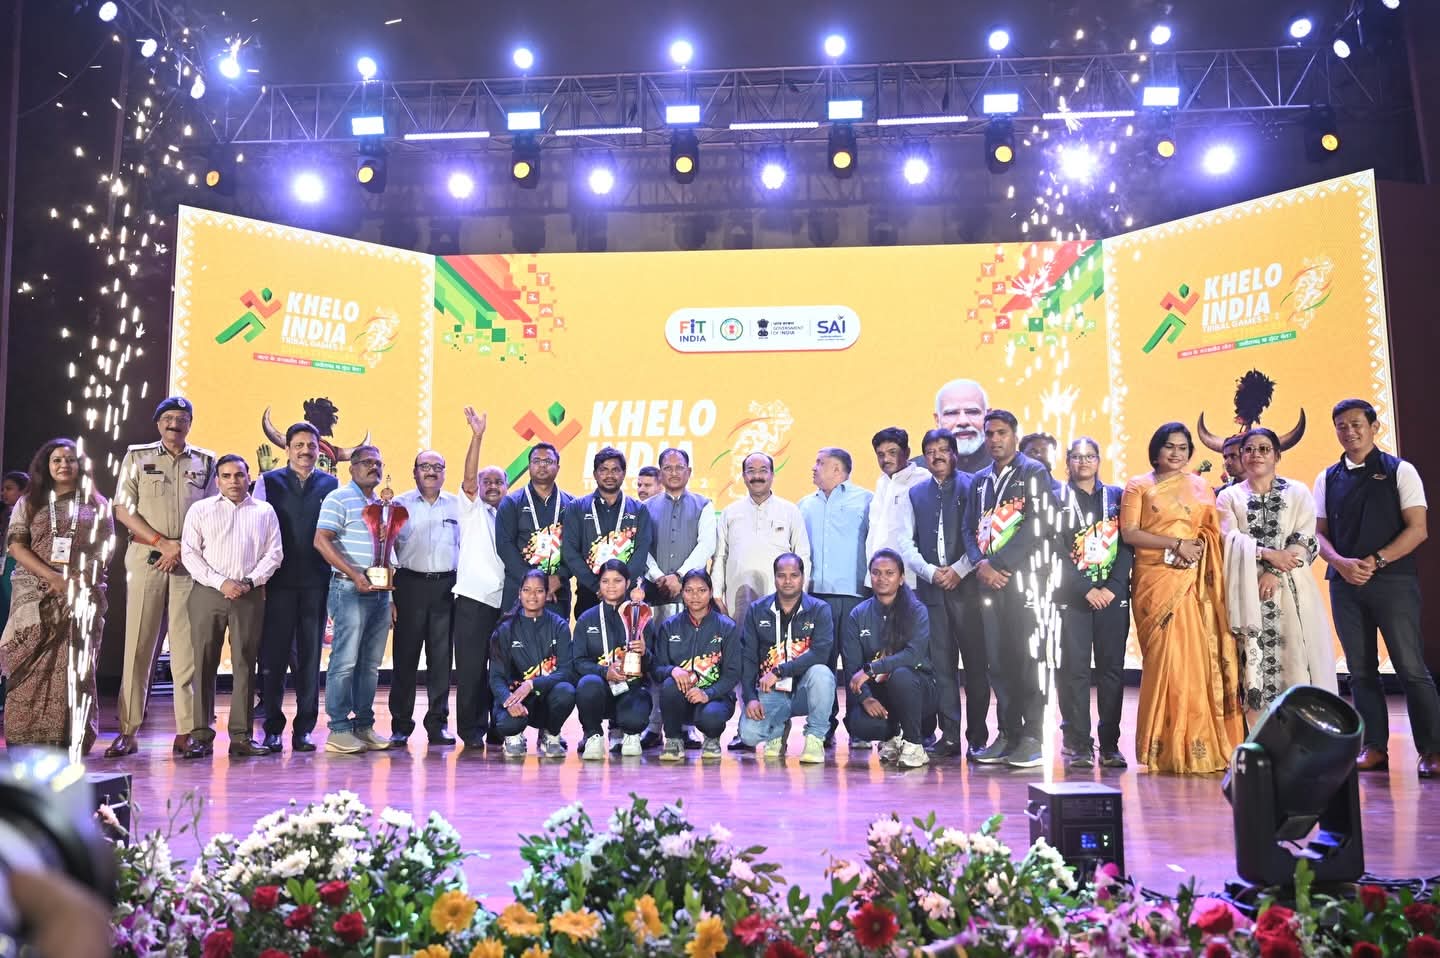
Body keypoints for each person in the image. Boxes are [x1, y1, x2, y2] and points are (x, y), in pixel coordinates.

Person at [1314, 398, 1438, 778]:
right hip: (1345, 584)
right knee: (1360, 670)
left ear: (1374, 427)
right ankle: (1373, 748)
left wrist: (1377, 560)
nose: (1349, 431)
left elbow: (1418, 529)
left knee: (1410, 668)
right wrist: (1340, 563)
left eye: (1356, 424)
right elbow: (1319, 534)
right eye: (1342, 425)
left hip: (1393, 581)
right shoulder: (1327, 478)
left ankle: (1433, 749)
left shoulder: (1400, 470)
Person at [1120, 422, 1245, 774]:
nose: (1176, 453)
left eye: (1182, 448)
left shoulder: (1201, 487)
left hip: (1194, 581)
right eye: (1169, 446)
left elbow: (1211, 532)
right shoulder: (1139, 485)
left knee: (1195, 663)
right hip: (1155, 581)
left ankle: (1197, 747)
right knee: (1166, 662)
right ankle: (1163, 748)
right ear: (1156, 450)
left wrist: (1197, 547)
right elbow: (1130, 533)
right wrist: (1176, 544)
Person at [107, 396, 217, 759]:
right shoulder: (136, 457)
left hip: (190, 560)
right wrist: (161, 543)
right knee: (138, 646)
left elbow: (213, 512)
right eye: (168, 417)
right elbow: (123, 509)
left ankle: (186, 732)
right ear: (158, 423)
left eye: (182, 418)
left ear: (190, 424)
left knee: (187, 651)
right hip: (147, 557)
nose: (175, 424)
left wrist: (182, 548)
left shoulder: (206, 461)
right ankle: (127, 731)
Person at [1217, 427, 1337, 729]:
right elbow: (1227, 539)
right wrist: (1268, 554)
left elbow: (1306, 538)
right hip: (1246, 592)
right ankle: (1258, 737)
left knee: (1296, 657)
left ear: (1277, 455)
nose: (1255, 455)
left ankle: (1301, 734)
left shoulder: (1297, 492)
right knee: (1251, 664)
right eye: (1249, 449)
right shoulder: (1229, 497)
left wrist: (1272, 572)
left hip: (1292, 591)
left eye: (1264, 449)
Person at [0, 439, 112, 752]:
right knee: (28, 664)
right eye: (57, 460)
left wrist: (76, 581)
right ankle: (25, 737)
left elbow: (104, 551)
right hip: (33, 594)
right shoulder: (29, 502)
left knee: (75, 664)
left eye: (70, 460)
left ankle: (69, 739)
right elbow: (16, 545)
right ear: (46, 466)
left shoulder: (97, 504)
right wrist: (52, 577)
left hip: (80, 595)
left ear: (81, 465)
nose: (64, 465)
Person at [963, 410, 1055, 768]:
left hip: (1024, 581)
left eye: (1001, 433)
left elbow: (1039, 523)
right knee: (998, 661)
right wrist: (980, 564)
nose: (994, 439)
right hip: (988, 583)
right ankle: (1007, 734)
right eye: (989, 434)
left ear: (1015, 435)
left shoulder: (1033, 472)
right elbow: (969, 529)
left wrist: (1000, 564)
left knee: (1027, 659)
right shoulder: (979, 480)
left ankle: (1032, 738)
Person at [180, 454, 283, 759]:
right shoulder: (201, 510)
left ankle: (241, 737)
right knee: (203, 664)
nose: (233, 481)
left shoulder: (264, 511)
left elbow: (274, 554)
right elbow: (190, 553)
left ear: (249, 477)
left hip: (249, 595)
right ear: (217, 480)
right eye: (226, 476)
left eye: (239, 475)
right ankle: (200, 735)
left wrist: (249, 582)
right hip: (207, 593)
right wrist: (221, 582)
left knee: (244, 665)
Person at [895, 429, 989, 757]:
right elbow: (905, 541)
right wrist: (931, 572)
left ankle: (977, 737)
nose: (936, 456)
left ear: (955, 454)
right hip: (931, 592)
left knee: (976, 667)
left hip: (970, 590)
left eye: (943, 450)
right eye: (930, 451)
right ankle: (949, 737)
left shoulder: (974, 486)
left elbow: (983, 535)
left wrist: (960, 569)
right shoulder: (915, 494)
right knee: (941, 667)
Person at [253, 422, 338, 753]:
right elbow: (257, 532)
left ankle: (304, 730)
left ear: (319, 450)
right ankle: (272, 729)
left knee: (310, 659)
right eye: (299, 445)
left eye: (311, 445)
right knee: (273, 659)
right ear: (287, 449)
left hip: (316, 583)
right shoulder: (268, 481)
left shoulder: (331, 484)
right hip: (277, 584)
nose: (305, 451)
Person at [1054, 438, 1133, 769]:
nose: (1083, 462)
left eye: (1089, 456)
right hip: (1071, 598)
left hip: (1112, 597)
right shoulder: (1055, 498)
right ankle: (1078, 744)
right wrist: (1085, 589)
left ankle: (1110, 744)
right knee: (1073, 671)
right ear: (1068, 462)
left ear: (1099, 460)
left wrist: (1113, 587)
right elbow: (1054, 550)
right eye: (1076, 456)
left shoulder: (1117, 497)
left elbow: (1128, 544)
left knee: (1111, 670)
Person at [313, 445, 394, 754]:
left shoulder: (382, 505)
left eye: (378, 463)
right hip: (349, 589)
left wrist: (389, 591)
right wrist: (354, 574)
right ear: (352, 468)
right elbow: (320, 541)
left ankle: (363, 725)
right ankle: (338, 729)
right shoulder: (339, 498)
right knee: (345, 662)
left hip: (380, 593)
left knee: (370, 664)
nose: (373, 467)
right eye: (366, 462)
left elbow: (386, 551)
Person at [642, 446, 716, 747]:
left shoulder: (704, 505)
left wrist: (681, 577)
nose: (674, 472)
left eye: (679, 467)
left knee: (690, 661)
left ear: (689, 471)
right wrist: (658, 575)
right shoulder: (645, 507)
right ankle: (653, 726)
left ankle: (686, 726)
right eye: (668, 468)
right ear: (660, 473)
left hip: (691, 598)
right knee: (655, 661)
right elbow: (640, 547)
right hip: (655, 594)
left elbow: (707, 544)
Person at [798, 446, 872, 745]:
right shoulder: (804, 504)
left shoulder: (866, 500)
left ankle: (859, 728)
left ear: (838, 470)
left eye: (820, 463)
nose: (813, 467)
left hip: (855, 595)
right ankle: (822, 726)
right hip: (816, 597)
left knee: (855, 662)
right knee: (821, 664)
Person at [388, 447, 461, 746]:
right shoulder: (398, 505)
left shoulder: (457, 505)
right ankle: (400, 725)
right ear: (414, 471)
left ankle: (437, 724)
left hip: (446, 587)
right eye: (425, 466)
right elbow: (385, 551)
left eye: (437, 467)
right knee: (404, 658)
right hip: (408, 586)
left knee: (441, 660)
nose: (431, 471)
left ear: (444, 472)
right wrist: (389, 597)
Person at [737, 552, 835, 763]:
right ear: (775, 578)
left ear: (803, 577)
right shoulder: (757, 610)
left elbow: (820, 653)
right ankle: (777, 731)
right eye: (782, 575)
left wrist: (780, 671)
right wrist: (750, 698)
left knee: (822, 674)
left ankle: (815, 737)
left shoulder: (820, 609)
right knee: (749, 735)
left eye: (794, 575)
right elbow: (749, 658)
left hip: (805, 689)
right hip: (772, 690)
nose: (788, 581)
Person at [843, 549, 936, 768]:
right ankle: (893, 736)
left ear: (901, 578)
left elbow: (913, 655)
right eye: (876, 573)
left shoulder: (917, 611)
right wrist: (866, 698)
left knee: (901, 675)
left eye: (889, 573)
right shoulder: (858, 614)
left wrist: (871, 669)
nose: (882, 578)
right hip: (880, 692)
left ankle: (914, 744)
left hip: (916, 689)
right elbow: (852, 666)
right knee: (861, 726)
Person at [453, 407, 509, 749]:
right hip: (473, 600)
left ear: (507, 487)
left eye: (497, 482)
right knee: (472, 670)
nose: (490, 486)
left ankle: (502, 727)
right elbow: (469, 478)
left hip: (507, 603)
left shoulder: (514, 516)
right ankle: (471, 731)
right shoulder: (471, 511)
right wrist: (477, 436)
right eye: (486, 481)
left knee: (502, 670)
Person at [650, 568, 740, 762]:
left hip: (714, 698)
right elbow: (656, 669)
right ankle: (673, 740)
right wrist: (672, 670)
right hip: (680, 700)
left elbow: (733, 674)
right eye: (689, 590)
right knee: (669, 684)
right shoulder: (669, 626)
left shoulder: (727, 627)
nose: (695, 596)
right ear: (682, 593)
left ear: (710, 592)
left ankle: (712, 738)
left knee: (712, 717)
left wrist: (708, 693)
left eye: (701, 590)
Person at [488, 568, 576, 758]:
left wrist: (531, 684)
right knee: (508, 723)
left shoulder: (559, 626)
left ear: (547, 594)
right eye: (527, 590)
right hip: (516, 699)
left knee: (567, 692)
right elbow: (496, 677)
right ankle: (514, 736)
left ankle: (550, 734)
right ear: (519, 593)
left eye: (539, 591)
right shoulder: (505, 629)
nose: (532, 596)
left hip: (546, 698)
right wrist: (508, 701)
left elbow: (566, 671)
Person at [713, 453, 811, 617]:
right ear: (744, 476)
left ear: (772, 475)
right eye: (751, 471)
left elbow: (803, 556)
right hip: (738, 601)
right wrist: (717, 595)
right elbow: (720, 557)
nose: (757, 476)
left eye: (763, 471)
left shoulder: (790, 511)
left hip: (781, 600)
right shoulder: (729, 512)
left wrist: (802, 595)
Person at [572, 560, 653, 758]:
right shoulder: (587, 619)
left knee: (636, 710)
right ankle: (593, 735)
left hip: (631, 688)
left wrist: (645, 653)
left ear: (628, 583)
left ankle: (631, 733)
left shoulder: (642, 616)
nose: (611, 586)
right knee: (587, 684)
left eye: (617, 580)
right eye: (605, 581)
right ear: (599, 584)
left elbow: (655, 664)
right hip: (601, 688)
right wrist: (604, 672)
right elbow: (578, 661)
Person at [562, 446, 652, 618]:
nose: (609, 475)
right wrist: (598, 586)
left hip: (627, 595)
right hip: (590, 593)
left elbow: (641, 551)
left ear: (624, 474)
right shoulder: (577, 508)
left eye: (615, 470)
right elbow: (570, 551)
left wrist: (620, 585)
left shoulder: (639, 510)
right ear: (595, 474)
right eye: (603, 470)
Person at [495, 443, 573, 619]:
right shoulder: (511, 502)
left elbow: (576, 548)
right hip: (519, 588)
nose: (542, 465)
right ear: (529, 466)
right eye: (536, 461)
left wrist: (559, 577)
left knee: (555, 636)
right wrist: (533, 584)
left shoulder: (572, 504)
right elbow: (504, 546)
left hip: (556, 590)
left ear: (558, 467)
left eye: (548, 461)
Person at [865, 428, 929, 588]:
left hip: (910, 578)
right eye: (880, 454)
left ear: (907, 453)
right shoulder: (882, 482)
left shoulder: (923, 480)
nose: (886, 459)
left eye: (892, 452)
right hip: (879, 577)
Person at [932, 378, 992, 474]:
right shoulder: (917, 474)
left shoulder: (1014, 467)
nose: (963, 422)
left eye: (972, 412)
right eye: (951, 413)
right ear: (937, 420)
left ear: (988, 416)